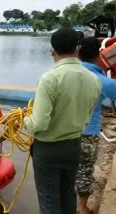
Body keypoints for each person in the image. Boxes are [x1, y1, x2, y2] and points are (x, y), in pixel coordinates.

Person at [23, 28, 101, 214]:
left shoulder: (50, 78)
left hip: (48, 149)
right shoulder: (94, 79)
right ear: (78, 48)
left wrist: (26, 120)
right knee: (68, 197)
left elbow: (39, 124)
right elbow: (88, 116)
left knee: (49, 203)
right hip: (74, 145)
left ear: (52, 51)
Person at [76, 37, 116, 214]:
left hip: (64, 131)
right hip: (88, 132)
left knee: (67, 168)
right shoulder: (101, 80)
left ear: (77, 52)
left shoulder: (62, 74)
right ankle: (82, 208)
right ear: (99, 56)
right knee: (85, 170)